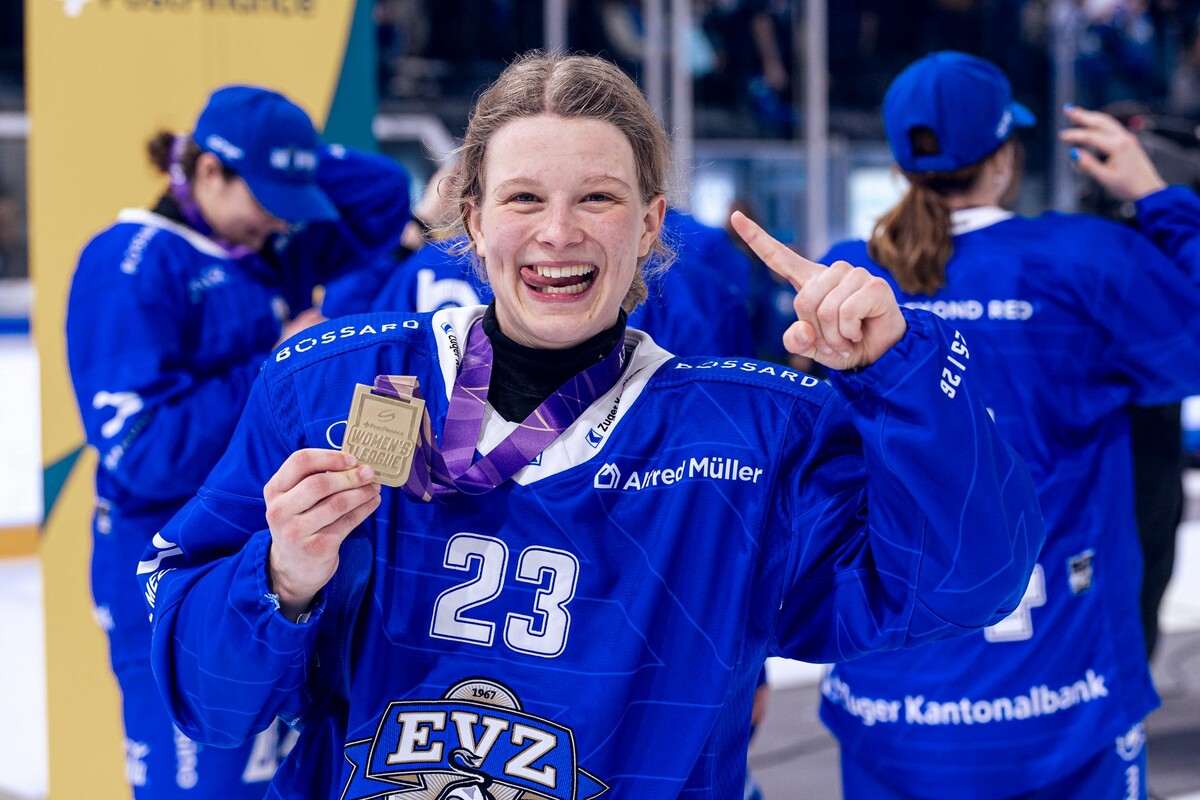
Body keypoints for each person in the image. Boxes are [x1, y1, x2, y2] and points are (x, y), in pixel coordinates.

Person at [137, 52, 1041, 800]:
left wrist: (903, 372)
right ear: (473, 217)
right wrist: (280, 578)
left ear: (651, 224)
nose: (559, 232)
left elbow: (965, 589)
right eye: (524, 198)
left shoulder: (751, 437)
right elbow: (208, 703)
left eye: (599, 199)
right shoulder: (332, 386)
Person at [818, 51, 1200, 800]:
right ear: (1006, 157)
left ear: (902, 164)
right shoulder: (1086, 262)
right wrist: (1160, 197)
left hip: (891, 702)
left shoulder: (843, 279)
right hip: (1064, 700)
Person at [66, 84, 409, 798]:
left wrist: (285, 154)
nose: (280, 219)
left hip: (277, 566)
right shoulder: (129, 261)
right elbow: (144, 446)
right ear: (208, 172)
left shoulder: (264, 245)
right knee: (202, 781)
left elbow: (383, 197)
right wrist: (284, 364)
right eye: (266, 194)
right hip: (168, 569)